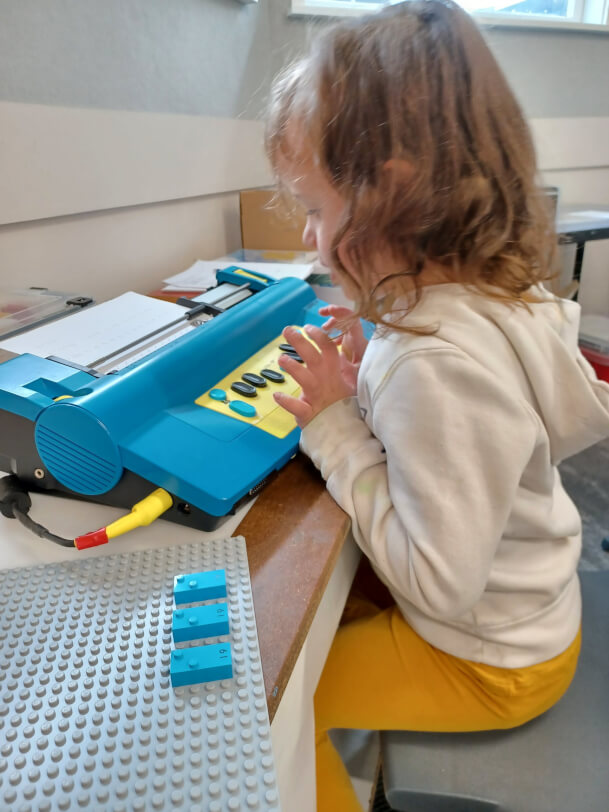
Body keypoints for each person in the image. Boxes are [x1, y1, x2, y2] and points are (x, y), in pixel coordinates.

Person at [264, 2, 609, 810]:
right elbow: (462, 446)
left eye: (315, 210)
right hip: (531, 615)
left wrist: (332, 425)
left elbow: (437, 582)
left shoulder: (435, 364)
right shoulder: (490, 297)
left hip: (487, 660)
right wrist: (374, 373)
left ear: (391, 193)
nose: (311, 238)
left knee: (278, 707)